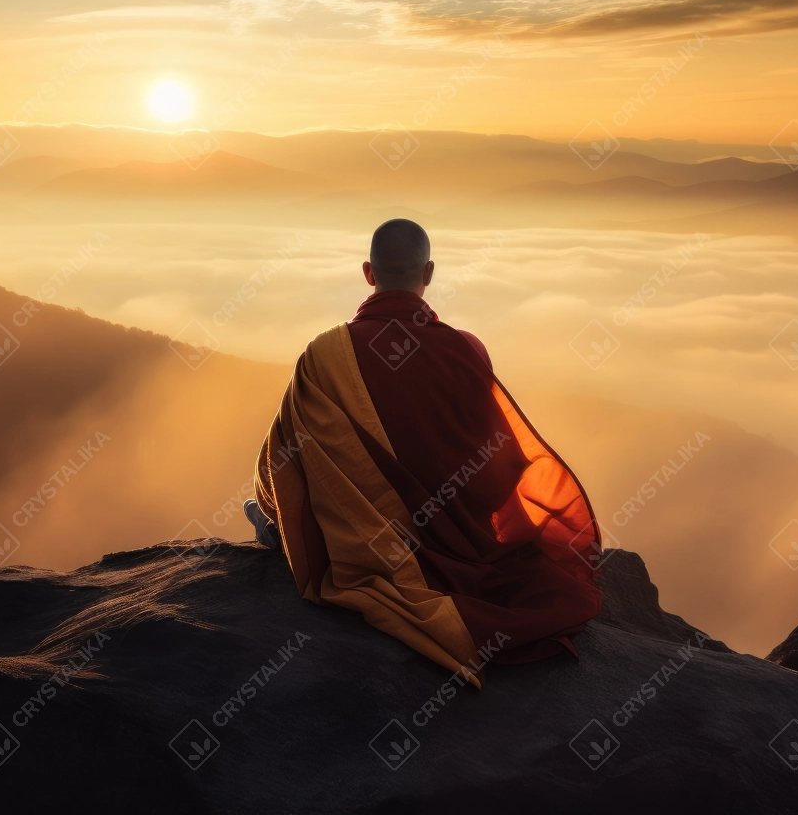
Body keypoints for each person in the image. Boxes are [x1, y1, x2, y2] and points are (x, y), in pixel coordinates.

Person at [244, 219, 603, 682]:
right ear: (428, 273)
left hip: (362, 539)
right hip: (462, 540)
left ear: (369, 273)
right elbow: (497, 464)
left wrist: (281, 508)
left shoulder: (323, 355)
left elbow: (282, 461)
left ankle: (283, 533)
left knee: (275, 498)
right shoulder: (466, 350)